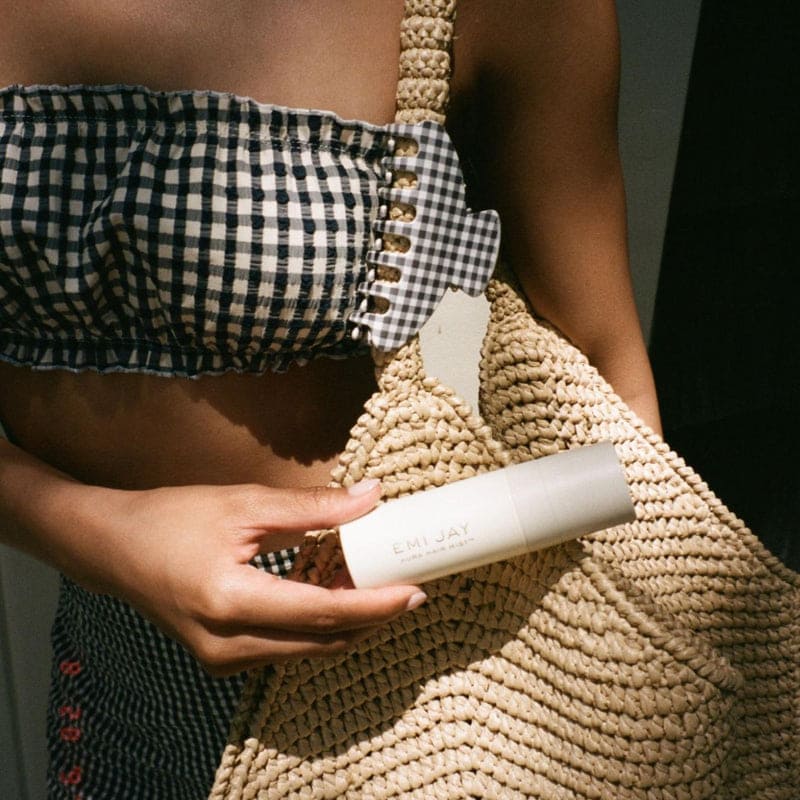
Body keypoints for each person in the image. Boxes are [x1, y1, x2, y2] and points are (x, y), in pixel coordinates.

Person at [0, 1, 661, 796]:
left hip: (423, 670)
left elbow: (601, 354)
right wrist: (102, 537)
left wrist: (631, 658)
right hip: (115, 660)